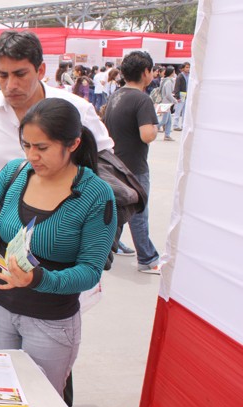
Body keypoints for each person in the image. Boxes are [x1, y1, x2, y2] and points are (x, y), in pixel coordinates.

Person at [0, 97, 116, 398]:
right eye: (26, 145)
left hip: (50, 322)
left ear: (73, 144)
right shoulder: (15, 173)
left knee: (42, 401)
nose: (32, 156)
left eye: (42, 148)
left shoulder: (95, 195)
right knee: (1, 398)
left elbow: (90, 270)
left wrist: (37, 279)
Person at [0, 30, 114, 187]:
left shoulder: (78, 110)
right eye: (3, 76)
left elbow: (105, 163)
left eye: (20, 74)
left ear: (41, 71)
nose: (11, 85)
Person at [103, 51, 160, 274]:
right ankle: (147, 258)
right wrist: (155, 128)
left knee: (117, 209)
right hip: (134, 167)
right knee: (138, 212)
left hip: (114, 164)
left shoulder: (116, 96)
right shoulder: (142, 99)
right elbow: (147, 135)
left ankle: (110, 246)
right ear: (146, 72)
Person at [157, 66, 177, 141]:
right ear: (171, 73)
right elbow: (168, 94)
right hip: (166, 103)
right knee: (164, 121)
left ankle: (167, 135)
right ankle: (152, 128)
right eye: (174, 72)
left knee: (169, 121)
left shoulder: (165, 80)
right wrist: (174, 100)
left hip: (165, 102)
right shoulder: (169, 82)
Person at [172, 62, 190, 131]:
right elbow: (177, 87)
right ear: (183, 68)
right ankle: (175, 125)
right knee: (178, 110)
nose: (188, 69)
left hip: (187, 94)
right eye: (186, 67)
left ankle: (183, 125)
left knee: (185, 111)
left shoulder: (189, 75)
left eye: (189, 67)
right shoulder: (180, 76)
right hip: (181, 94)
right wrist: (177, 97)